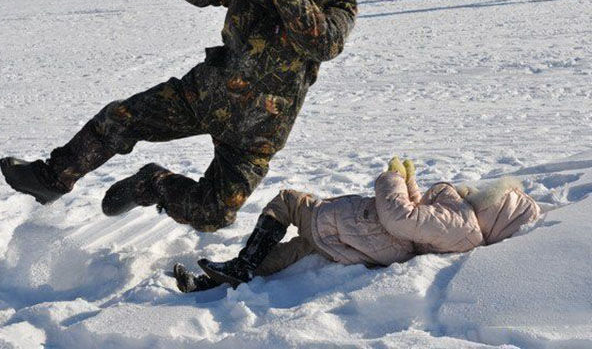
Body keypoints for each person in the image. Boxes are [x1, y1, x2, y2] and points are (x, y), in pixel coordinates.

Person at [0, 0, 357, 234]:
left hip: (258, 130)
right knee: (121, 118)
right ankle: (52, 179)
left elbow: (325, 42)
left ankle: (151, 183)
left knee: (213, 214)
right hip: (205, 95)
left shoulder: (336, 4)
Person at [174, 157, 541, 292]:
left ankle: (241, 264)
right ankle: (209, 283)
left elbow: (401, 217)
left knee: (287, 201)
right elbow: (417, 218)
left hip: (352, 226)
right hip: (352, 240)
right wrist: (411, 181)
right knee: (287, 254)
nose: (481, 190)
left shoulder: (461, 225)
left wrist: (392, 178)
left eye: (491, 193)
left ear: (496, 207)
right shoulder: (460, 224)